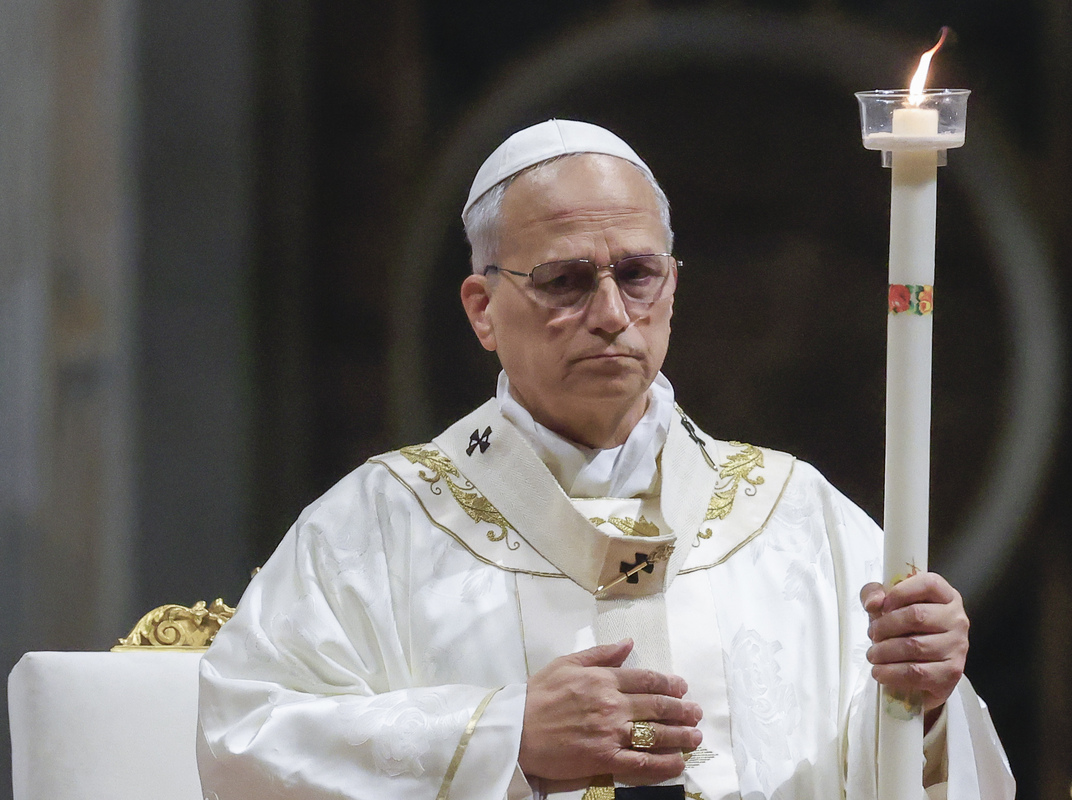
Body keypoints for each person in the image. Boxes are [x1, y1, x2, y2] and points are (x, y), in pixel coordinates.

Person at [197, 119, 1015, 800]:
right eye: (565, 281)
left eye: (637, 274)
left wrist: (925, 703)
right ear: (483, 309)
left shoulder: (796, 516)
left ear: (673, 288)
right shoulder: (378, 527)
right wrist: (506, 738)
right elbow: (243, 742)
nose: (612, 314)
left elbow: (879, 771)